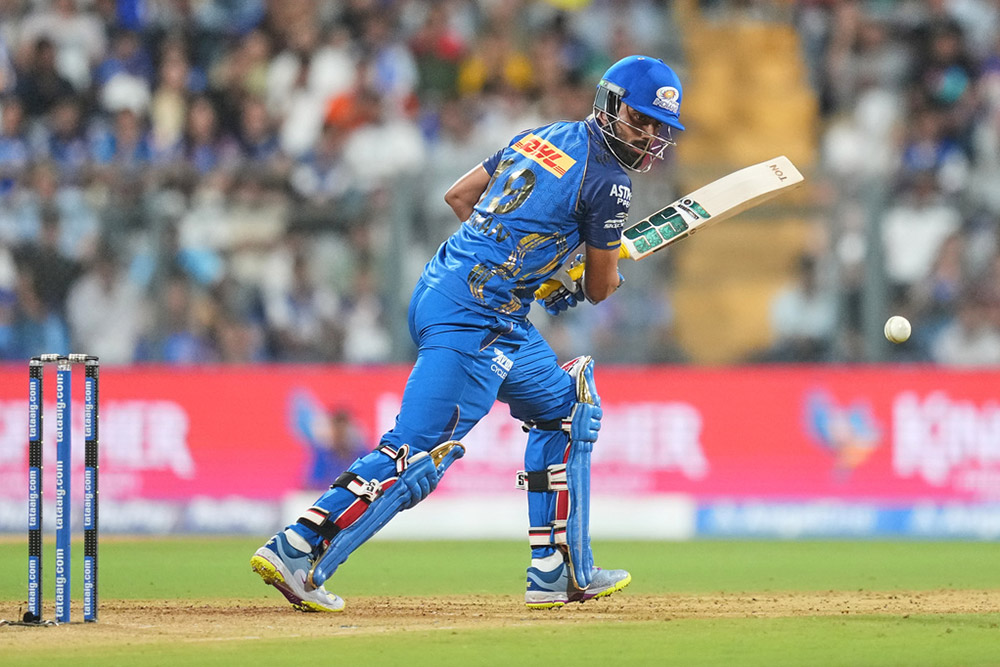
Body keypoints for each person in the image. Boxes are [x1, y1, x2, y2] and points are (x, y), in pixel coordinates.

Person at [251, 55, 685, 612]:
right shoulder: (609, 182)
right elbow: (600, 288)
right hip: (475, 320)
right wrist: (586, 275)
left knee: (567, 407)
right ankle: (298, 547)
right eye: (640, 119)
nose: (648, 135)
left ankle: (555, 572)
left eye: (658, 128)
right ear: (608, 106)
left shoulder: (541, 135)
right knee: (416, 452)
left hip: (456, 292)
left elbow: (460, 197)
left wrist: (521, 261)